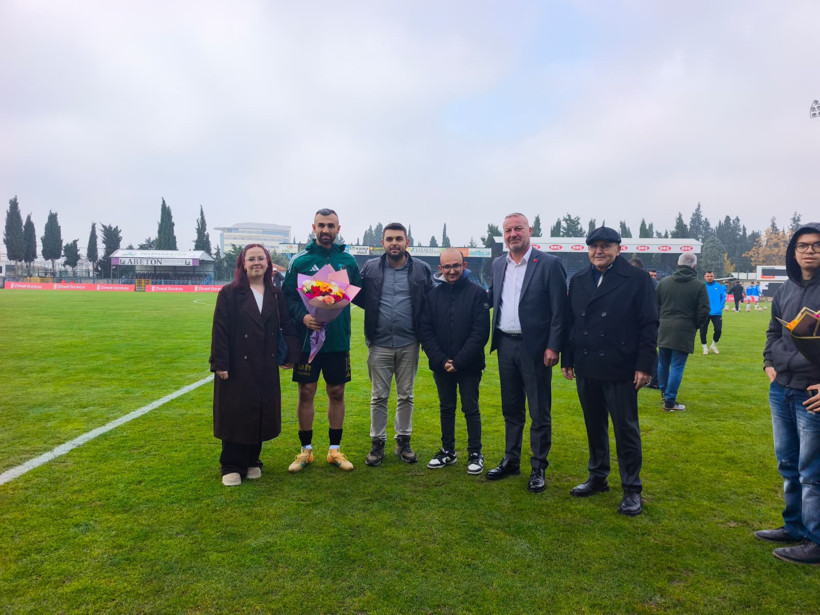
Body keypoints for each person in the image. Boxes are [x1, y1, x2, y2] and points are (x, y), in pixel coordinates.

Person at [561, 227, 657, 516]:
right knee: (594, 425)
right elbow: (571, 322)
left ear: (618, 248)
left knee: (625, 429)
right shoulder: (578, 280)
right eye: (594, 246)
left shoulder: (637, 279)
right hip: (587, 364)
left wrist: (644, 365)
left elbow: (649, 324)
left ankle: (632, 488)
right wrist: (568, 357)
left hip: (621, 366)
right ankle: (598, 476)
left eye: (605, 246)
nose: (598, 251)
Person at [486, 213, 567, 492]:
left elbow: (560, 310)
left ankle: (538, 467)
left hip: (536, 349)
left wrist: (553, 346)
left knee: (538, 411)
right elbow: (492, 298)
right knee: (511, 409)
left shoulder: (549, 264)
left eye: (518, 228)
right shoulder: (498, 264)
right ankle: (511, 459)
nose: (513, 234)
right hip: (506, 345)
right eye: (508, 230)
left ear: (529, 230)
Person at [210, 244, 301, 486]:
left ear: (268, 263)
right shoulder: (229, 293)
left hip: (265, 362)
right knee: (235, 413)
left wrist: (291, 354)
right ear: (243, 264)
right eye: (251, 259)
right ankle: (231, 464)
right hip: (237, 364)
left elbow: (287, 325)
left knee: (259, 411)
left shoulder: (275, 294)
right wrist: (220, 362)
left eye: (261, 258)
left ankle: (252, 460)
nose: (257, 262)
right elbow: (220, 329)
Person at [757, 222, 820, 565]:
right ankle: (794, 526)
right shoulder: (785, 290)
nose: (809, 251)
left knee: (813, 471)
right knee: (788, 463)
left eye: (816, 246)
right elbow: (772, 332)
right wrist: (769, 363)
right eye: (802, 246)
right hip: (781, 387)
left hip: (813, 392)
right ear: (793, 252)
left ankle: (815, 539)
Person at [283, 209, 362, 472]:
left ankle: (334, 451)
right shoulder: (300, 261)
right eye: (321, 225)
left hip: (338, 340)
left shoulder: (348, 261)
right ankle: (305, 451)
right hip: (308, 341)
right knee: (306, 392)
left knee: (337, 392)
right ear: (313, 227)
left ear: (338, 228)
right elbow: (289, 298)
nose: (325, 230)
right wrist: (304, 316)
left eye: (330, 225)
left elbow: (357, 295)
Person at [358, 222, 432, 466]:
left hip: (409, 343)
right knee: (378, 396)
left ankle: (404, 441)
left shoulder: (422, 269)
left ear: (406, 242)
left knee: (406, 396)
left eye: (399, 239)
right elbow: (358, 297)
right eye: (389, 239)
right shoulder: (370, 268)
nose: (394, 243)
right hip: (378, 343)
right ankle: (377, 444)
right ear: (383, 243)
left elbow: (432, 301)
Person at [418, 248, 490, 474]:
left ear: (464, 266)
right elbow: (425, 331)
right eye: (447, 267)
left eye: (455, 266)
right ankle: (448, 451)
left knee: (470, 408)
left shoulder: (478, 293)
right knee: (446, 408)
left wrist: (458, 361)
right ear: (440, 269)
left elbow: (480, 333)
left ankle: (475, 453)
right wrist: (441, 360)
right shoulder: (432, 296)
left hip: (468, 365)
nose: (451, 270)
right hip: (442, 366)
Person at [655, 253, 709, 412]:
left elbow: (654, 305)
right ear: (694, 266)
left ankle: (665, 394)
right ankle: (670, 401)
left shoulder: (663, 282)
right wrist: (694, 324)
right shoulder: (699, 285)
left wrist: (660, 321)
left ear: (678, 264)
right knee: (677, 365)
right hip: (684, 329)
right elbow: (704, 310)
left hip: (663, 327)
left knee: (663, 363)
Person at [700, 270, 726, 355]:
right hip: (705, 312)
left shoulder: (718, 286)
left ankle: (713, 345)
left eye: (711, 276)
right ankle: (704, 347)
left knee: (718, 330)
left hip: (717, 313)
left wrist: (720, 307)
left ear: (713, 277)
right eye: (708, 276)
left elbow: (723, 297)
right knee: (703, 330)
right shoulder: (701, 286)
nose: (709, 278)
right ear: (705, 277)